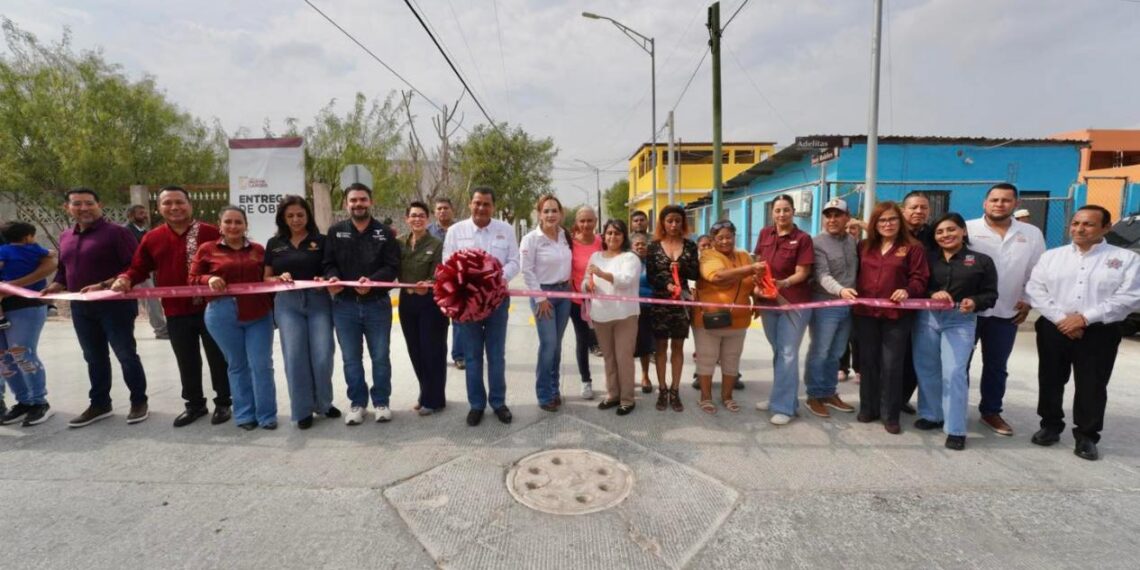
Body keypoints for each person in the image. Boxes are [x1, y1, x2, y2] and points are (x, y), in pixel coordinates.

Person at [1024, 205, 1140, 461]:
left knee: (1092, 383)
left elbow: (1130, 297)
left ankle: (1087, 436)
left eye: (1088, 224)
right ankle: (1050, 426)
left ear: (1106, 227)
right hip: (1055, 327)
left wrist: (1084, 319)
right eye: (1076, 223)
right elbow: (1035, 290)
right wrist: (1062, 320)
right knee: (1051, 378)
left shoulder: (1126, 259)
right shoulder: (1052, 257)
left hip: (1099, 330)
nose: (1079, 229)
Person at [112, 186, 232, 427]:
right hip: (176, 310)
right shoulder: (152, 238)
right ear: (159, 208)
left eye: (180, 202)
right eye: (168, 203)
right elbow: (139, 267)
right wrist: (125, 279)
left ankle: (224, 403)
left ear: (190, 205)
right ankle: (195, 405)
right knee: (186, 359)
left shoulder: (211, 233)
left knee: (218, 358)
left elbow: (231, 262)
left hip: (213, 308)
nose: (174, 207)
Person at [42, 188, 149, 427]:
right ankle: (100, 404)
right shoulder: (65, 236)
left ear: (99, 204)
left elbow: (135, 268)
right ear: (67, 208)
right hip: (82, 309)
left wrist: (104, 285)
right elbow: (63, 269)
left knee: (126, 355)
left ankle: (139, 401)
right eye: (77, 204)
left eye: (89, 203)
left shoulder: (117, 233)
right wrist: (56, 285)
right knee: (93, 357)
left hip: (115, 307)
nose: (84, 208)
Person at [965, 183, 1046, 437]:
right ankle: (954, 408)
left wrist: (1028, 300)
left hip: (1007, 310)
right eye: (995, 200)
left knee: (996, 365)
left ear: (1016, 204)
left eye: (1006, 200)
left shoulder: (1031, 234)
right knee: (959, 364)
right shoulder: (968, 229)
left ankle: (991, 411)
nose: (1000, 204)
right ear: (984, 203)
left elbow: (1038, 271)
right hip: (969, 311)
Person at [912, 213, 998, 451]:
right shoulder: (928, 259)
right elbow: (919, 285)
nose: (945, 235)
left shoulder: (982, 260)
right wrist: (932, 294)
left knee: (955, 371)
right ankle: (932, 415)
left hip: (960, 319)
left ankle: (956, 429)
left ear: (963, 231)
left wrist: (973, 301)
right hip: (928, 317)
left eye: (951, 230)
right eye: (940, 232)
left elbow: (991, 295)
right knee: (927, 368)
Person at [190, 206, 277, 430]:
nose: (233, 226)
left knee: (261, 365)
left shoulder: (258, 250)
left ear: (246, 225)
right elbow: (192, 278)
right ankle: (245, 415)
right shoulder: (207, 249)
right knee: (237, 365)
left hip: (258, 313)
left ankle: (267, 415)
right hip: (222, 314)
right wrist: (208, 279)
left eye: (238, 222)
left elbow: (267, 277)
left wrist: (279, 279)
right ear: (220, 225)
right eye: (228, 222)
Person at [323, 183, 401, 425]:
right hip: (344, 305)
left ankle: (381, 402)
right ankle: (357, 404)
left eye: (363, 200)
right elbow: (328, 263)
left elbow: (392, 267)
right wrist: (332, 278)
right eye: (353, 200)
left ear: (371, 202)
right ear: (346, 204)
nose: (358, 204)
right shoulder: (336, 231)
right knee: (350, 358)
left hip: (377, 304)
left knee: (380, 356)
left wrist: (374, 282)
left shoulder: (385, 233)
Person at [442, 187, 520, 427]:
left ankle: (498, 403)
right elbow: (447, 262)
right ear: (470, 204)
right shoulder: (456, 231)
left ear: (493, 207)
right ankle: (476, 405)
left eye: (486, 204)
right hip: (468, 303)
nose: (481, 208)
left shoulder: (505, 230)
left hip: (497, 300)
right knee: (473, 356)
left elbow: (515, 261)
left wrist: (497, 277)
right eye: (477, 203)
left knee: (496, 355)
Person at [853, 201, 929, 434]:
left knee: (892, 365)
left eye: (892, 219)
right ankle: (868, 408)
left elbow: (920, 278)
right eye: (882, 220)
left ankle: (890, 414)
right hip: (865, 314)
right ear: (875, 224)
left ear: (900, 222)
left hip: (897, 316)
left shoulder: (913, 247)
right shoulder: (864, 246)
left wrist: (908, 290)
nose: (887, 224)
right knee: (868, 362)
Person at [263, 195, 339, 429]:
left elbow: (330, 268)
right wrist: (278, 277)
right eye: (290, 216)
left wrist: (325, 278)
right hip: (287, 304)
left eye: (300, 215)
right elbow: (266, 278)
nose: (296, 220)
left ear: (308, 216)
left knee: (323, 355)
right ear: (282, 218)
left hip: (319, 302)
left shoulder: (322, 241)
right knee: (295, 357)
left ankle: (324, 403)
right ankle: (302, 409)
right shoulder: (274, 244)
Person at [753, 194, 814, 425]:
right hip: (768, 302)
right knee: (779, 352)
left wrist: (784, 283)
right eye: (777, 210)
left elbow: (803, 272)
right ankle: (782, 398)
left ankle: (783, 407)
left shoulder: (803, 238)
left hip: (793, 303)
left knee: (788, 353)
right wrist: (758, 288)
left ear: (794, 211)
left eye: (786, 210)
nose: (781, 214)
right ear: (772, 213)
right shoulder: (764, 234)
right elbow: (759, 264)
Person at [692, 220, 760, 415]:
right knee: (706, 359)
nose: (725, 241)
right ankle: (705, 397)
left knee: (732, 360)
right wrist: (751, 269)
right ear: (713, 240)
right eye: (720, 237)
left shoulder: (744, 256)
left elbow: (753, 281)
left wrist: (757, 299)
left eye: (728, 237)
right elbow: (717, 276)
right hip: (708, 320)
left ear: (734, 237)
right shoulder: (707, 256)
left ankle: (727, 396)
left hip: (739, 320)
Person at [803, 198, 858, 419]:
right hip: (826, 304)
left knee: (836, 353)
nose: (832, 219)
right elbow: (822, 275)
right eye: (828, 215)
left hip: (849, 304)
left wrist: (848, 295)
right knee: (820, 351)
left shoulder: (852, 241)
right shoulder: (816, 243)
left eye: (838, 215)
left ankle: (829, 392)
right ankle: (813, 395)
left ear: (847, 217)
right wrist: (841, 291)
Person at [0, 221, 57, 426]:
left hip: (25, 305)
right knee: (3, 357)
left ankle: (38, 402)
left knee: (21, 352)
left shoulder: (14, 244)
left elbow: (50, 261)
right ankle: (23, 401)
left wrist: (10, 286)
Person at [519, 195, 573, 412]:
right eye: (546, 211)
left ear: (561, 214)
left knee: (557, 345)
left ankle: (554, 389)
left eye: (554, 211)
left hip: (565, 294)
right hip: (544, 295)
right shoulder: (531, 239)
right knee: (548, 344)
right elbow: (527, 270)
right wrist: (540, 298)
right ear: (539, 214)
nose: (551, 215)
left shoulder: (564, 236)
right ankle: (544, 395)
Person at [583, 219, 642, 416]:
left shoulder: (630, 258)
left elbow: (626, 281)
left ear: (624, 236)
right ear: (603, 235)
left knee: (623, 357)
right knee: (609, 358)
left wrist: (602, 273)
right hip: (601, 314)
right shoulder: (595, 256)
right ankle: (613, 395)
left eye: (617, 233)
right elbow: (586, 279)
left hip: (625, 314)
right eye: (609, 233)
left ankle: (627, 399)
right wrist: (587, 285)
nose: (612, 237)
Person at [645, 205, 699, 412]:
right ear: (662, 223)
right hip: (660, 303)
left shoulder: (691, 246)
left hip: (681, 304)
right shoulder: (654, 246)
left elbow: (696, 273)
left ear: (683, 222)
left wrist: (681, 267)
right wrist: (667, 283)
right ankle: (663, 389)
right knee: (660, 348)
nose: (674, 225)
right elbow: (651, 276)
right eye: (670, 221)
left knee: (677, 347)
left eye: (677, 220)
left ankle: (675, 390)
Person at [397, 201, 448, 416]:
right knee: (415, 350)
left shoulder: (436, 244)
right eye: (413, 215)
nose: (417, 219)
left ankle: (435, 399)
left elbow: (439, 273)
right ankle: (425, 392)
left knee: (432, 351)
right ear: (407, 219)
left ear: (427, 219)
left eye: (421, 215)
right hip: (407, 303)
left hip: (430, 303)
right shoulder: (399, 243)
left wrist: (428, 284)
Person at [899, 191, 936, 414]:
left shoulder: (934, 235)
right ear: (904, 210)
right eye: (914, 207)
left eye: (923, 207)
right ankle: (884, 398)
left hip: (924, 302)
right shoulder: (891, 231)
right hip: (893, 303)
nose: (918, 211)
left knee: (917, 354)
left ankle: (903, 398)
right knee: (894, 354)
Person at [569, 206, 602, 399]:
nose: (586, 225)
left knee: (602, 341)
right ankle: (586, 381)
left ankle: (612, 380)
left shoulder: (602, 242)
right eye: (582, 221)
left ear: (596, 221)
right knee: (582, 340)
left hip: (601, 301)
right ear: (577, 223)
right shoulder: (571, 244)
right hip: (577, 301)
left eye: (590, 220)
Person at [428, 196, 464, 370]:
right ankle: (437, 355)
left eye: (445, 208)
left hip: (458, 283)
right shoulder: (428, 232)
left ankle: (459, 356)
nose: (442, 211)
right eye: (439, 208)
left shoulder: (461, 230)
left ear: (452, 210)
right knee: (437, 322)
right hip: (435, 284)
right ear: (434, 212)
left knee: (458, 321)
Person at [123, 204, 168, 339]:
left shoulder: (144, 231)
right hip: (133, 271)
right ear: (131, 215)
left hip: (144, 270)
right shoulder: (126, 231)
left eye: (144, 212)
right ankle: (161, 330)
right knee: (150, 300)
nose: (144, 215)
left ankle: (161, 328)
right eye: (140, 213)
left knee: (150, 300)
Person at [838, 218, 865, 383]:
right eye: (846, 227)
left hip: (862, 298)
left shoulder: (863, 247)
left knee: (857, 336)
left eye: (853, 228)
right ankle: (842, 368)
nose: (849, 231)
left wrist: (863, 223)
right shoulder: (836, 247)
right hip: (841, 296)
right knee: (842, 335)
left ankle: (859, 369)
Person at [630, 231, 655, 394]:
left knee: (645, 345)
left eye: (643, 244)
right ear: (631, 247)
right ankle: (627, 377)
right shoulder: (626, 262)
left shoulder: (653, 263)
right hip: (629, 310)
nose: (640, 246)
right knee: (628, 346)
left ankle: (645, 376)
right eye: (637, 244)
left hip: (647, 309)